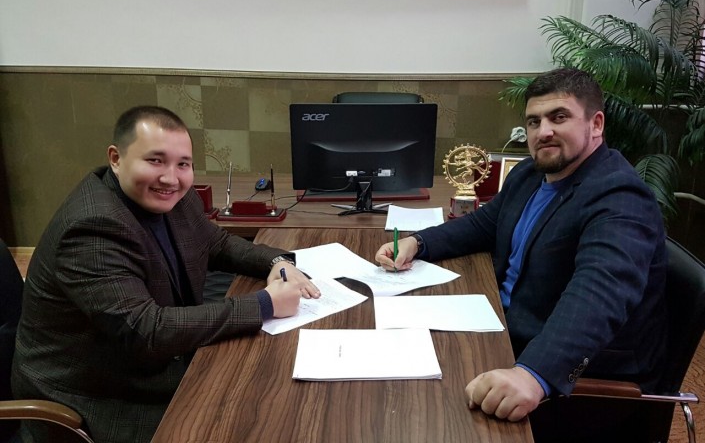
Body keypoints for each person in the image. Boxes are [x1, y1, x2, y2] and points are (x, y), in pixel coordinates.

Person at [375, 68, 667, 432]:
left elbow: (600, 292)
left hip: (576, 374)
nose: (543, 131)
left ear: (596, 124)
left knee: (424, 417)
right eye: (533, 121)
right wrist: (418, 242)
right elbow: (484, 225)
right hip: (502, 325)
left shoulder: (619, 196)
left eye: (559, 117)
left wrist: (534, 374)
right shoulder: (529, 174)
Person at [11, 106, 320, 443]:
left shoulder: (174, 198)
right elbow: (147, 331)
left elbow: (215, 243)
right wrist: (264, 304)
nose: (171, 178)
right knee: (254, 421)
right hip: (102, 396)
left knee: (270, 392)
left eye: (183, 164)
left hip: (153, 364)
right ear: (116, 158)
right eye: (155, 160)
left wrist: (277, 262)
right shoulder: (92, 229)